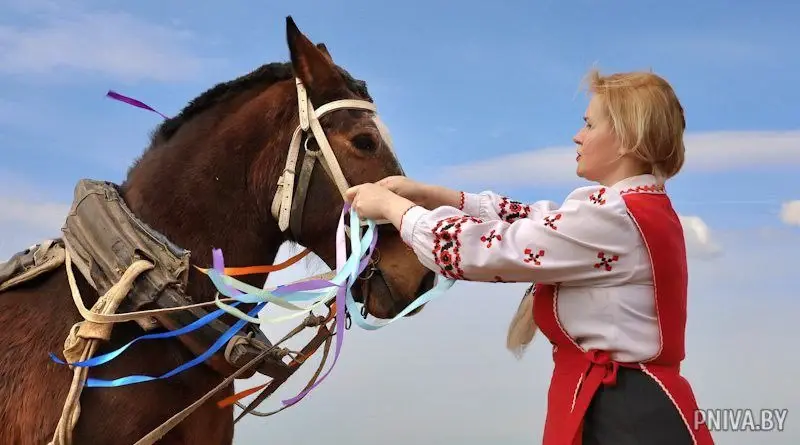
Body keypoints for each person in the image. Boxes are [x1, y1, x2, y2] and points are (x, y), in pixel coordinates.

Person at [344, 69, 714, 445]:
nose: (578, 135)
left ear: (626, 140)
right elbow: (537, 221)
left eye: (589, 124)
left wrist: (393, 208)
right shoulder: (631, 210)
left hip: (626, 418)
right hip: (621, 406)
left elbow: (478, 250)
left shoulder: (614, 219)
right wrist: (435, 195)